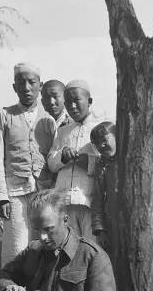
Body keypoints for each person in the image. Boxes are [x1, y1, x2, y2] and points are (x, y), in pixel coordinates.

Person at [0, 63, 56, 265]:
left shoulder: (50, 119)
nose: (26, 87)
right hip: (15, 193)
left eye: (31, 82)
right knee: (16, 248)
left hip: (44, 193)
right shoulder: (4, 116)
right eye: (21, 83)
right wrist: (0, 197)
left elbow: (55, 158)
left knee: (44, 246)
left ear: (40, 86)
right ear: (14, 87)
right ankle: (12, 285)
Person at [47, 80, 100, 238]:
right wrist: (62, 155)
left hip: (89, 202)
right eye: (68, 102)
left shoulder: (100, 128)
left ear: (89, 101)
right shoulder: (62, 132)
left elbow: (108, 162)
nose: (72, 106)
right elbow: (51, 163)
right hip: (64, 203)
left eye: (77, 100)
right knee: (68, 244)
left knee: (90, 244)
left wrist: (88, 162)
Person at [90, 121, 118, 256]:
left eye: (105, 140)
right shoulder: (101, 165)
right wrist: (100, 230)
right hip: (111, 225)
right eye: (96, 143)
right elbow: (97, 199)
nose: (101, 145)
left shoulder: (130, 159)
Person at [38, 79, 71, 190]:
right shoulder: (38, 125)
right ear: (42, 102)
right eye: (47, 98)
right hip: (42, 186)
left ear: (65, 98)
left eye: (55, 96)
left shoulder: (73, 124)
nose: (51, 102)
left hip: (66, 185)